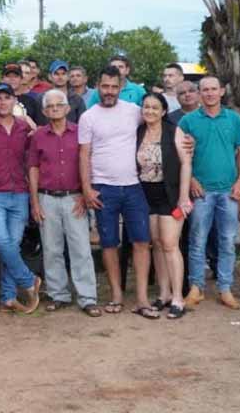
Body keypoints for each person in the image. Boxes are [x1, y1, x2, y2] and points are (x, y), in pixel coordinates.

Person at [79, 66, 156, 318]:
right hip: (102, 188)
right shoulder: (88, 117)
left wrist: (184, 140)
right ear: (97, 86)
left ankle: (142, 298)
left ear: (121, 87)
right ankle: (116, 295)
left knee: (142, 242)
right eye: (105, 86)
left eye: (114, 87)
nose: (109, 91)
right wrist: (87, 188)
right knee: (109, 243)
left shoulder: (134, 112)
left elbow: (158, 126)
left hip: (134, 186)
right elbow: (84, 154)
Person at [178, 76, 240, 310]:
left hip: (228, 191)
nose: (209, 93)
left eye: (213, 89)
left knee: (227, 241)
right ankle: (196, 288)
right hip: (201, 192)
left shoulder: (234, 119)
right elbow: (182, 156)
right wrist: (192, 181)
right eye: (204, 90)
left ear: (222, 91)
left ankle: (225, 288)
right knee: (197, 240)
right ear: (199, 93)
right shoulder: (188, 121)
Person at [29, 89, 100, 316]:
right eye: (49, 106)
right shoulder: (38, 136)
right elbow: (33, 168)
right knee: (52, 250)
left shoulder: (81, 132)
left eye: (59, 105)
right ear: (44, 111)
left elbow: (89, 163)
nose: (54, 109)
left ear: (68, 108)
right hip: (46, 197)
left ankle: (87, 297)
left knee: (81, 249)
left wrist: (84, 193)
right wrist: (35, 202)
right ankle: (58, 294)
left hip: (74, 198)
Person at [0, 83, 42, 313]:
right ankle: (28, 280)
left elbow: (38, 139)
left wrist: (29, 122)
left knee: (12, 245)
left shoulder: (23, 127)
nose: (3, 102)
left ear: (14, 101)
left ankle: (8, 296)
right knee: (0, 241)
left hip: (19, 193)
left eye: (8, 98)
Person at [136, 93, 192, 319]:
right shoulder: (139, 132)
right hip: (146, 195)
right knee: (157, 244)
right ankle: (164, 293)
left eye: (154, 108)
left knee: (170, 244)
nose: (149, 111)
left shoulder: (174, 131)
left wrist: (183, 196)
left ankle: (179, 297)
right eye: (146, 107)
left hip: (170, 194)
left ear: (164, 111)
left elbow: (186, 163)